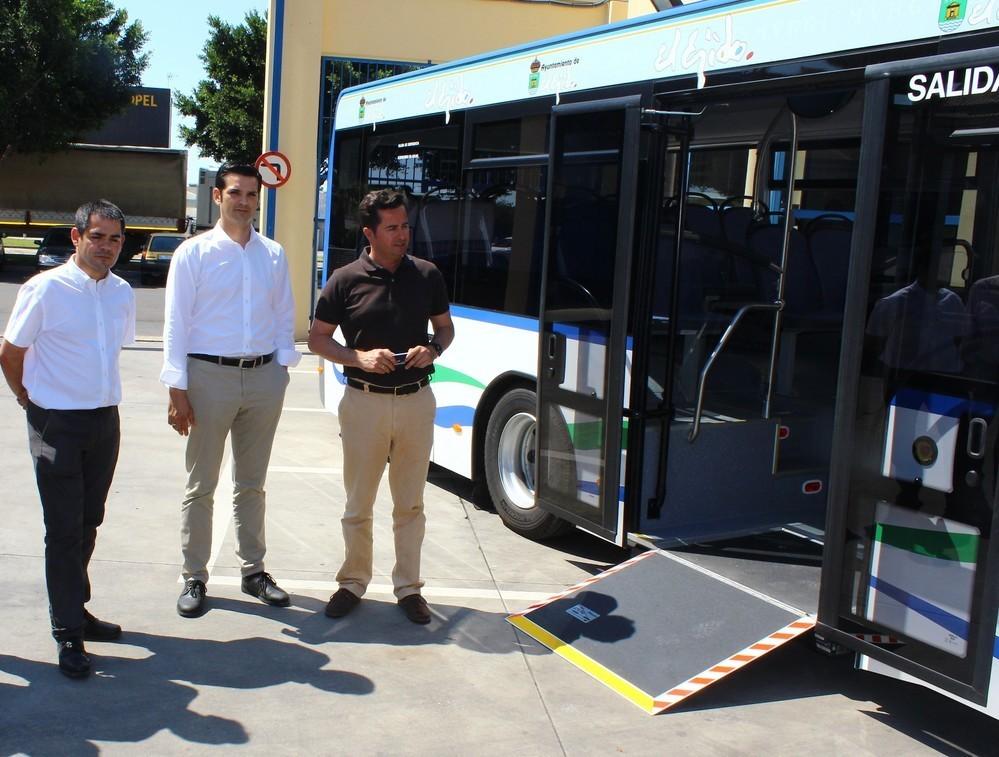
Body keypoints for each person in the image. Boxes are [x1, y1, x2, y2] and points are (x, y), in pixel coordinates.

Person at [0, 200, 135, 679]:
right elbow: (10, 352)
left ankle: (77, 609)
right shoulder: (45, 289)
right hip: (55, 421)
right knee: (62, 529)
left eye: (115, 238)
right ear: (77, 239)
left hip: (103, 420)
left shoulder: (121, 292)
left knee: (88, 520)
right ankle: (67, 635)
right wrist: (26, 399)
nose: (107, 247)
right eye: (97, 237)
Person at [308, 188, 454, 625]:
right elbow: (317, 338)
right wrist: (358, 357)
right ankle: (353, 582)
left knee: (410, 504)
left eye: (405, 225)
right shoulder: (344, 279)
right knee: (359, 502)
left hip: (416, 402)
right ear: (369, 232)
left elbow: (445, 329)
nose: (402, 234)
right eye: (392, 227)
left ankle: (409, 589)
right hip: (363, 403)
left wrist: (433, 349)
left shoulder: (428, 275)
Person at [162, 163, 300, 617]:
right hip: (208, 377)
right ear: (217, 197)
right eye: (235, 193)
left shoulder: (273, 254)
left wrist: (282, 368)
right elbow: (176, 322)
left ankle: (253, 571)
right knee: (201, 483)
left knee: (252, 484)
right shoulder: (194, 253)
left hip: (263, 378)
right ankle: (194, 576)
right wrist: (176, 387)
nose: (244, 202)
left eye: (251, 195)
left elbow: (284, 314)